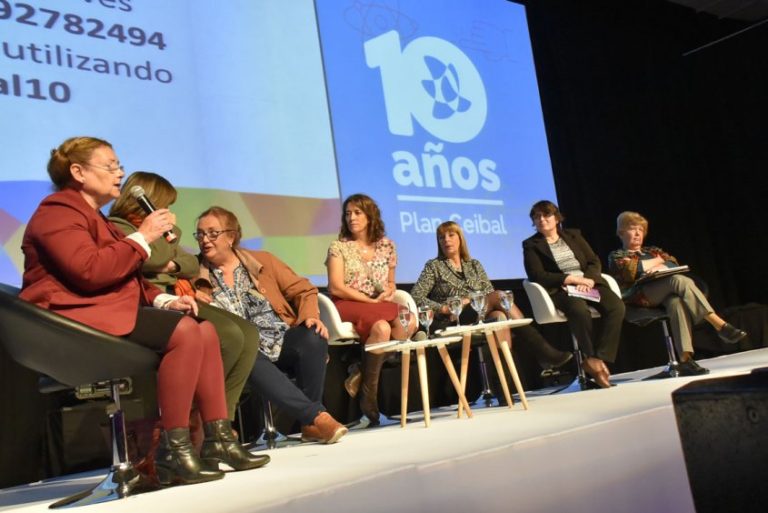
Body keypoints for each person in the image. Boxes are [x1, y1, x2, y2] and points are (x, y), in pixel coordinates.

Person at [19, 137, 267, 487]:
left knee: (204, 329)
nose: (120, 173)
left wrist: (164, 300)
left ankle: (217, 438)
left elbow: (126, 276)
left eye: (119, 165)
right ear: (78, 172)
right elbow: (90, 271)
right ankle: (173, 451)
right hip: (68, 322)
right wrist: (143, 236)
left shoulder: (93, 217)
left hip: (99, 312)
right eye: (110, 166)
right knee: (184, 332)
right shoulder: (57, 212)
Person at [108, 172, 260, 426]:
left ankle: (222, 419)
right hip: (149, 302)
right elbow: (151, 258)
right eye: (164, 205)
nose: (168, 212)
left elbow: (190, 264)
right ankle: (200, 416)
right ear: (149, 202)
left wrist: (169, 265)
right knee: (229, 335)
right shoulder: (119, 226)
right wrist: (167, 239)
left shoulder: (159, 233)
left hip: (175, 296)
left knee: (249, 334)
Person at [194, 206, 348, 444]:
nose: (205, 240)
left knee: (313, 336)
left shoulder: (262, 261)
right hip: (240, 350)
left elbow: (304, 289)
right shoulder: (193, 274)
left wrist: (310, 316)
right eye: (200, 234)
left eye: (213, 233)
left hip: (279, 339)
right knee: (247, 351)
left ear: (231, 236)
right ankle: (315, 417)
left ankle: (310, 424)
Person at [410, 221, 572, 373]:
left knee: (499, 315)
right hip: (454, 318)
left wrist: (469, 299)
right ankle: (543, 351)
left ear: (460, 238)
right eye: (441, 237)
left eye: (451, 235)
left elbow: (488, 292)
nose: (446, 240)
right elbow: (416, 296)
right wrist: (444, 308)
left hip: (478, 312)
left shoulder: (474, 265)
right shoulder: (434, 266)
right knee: (499, 296)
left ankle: (505, 381)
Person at [608, 211, 747, 373]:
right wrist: (658, 261)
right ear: (621, 233)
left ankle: (685, 359)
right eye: (633, 229)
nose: (638, 233)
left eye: (641, 229)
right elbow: (632, 270)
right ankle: (719, 325)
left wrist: (660, 265)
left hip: (665, 292)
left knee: (676, 302)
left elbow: (673, 263)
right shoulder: (617, 255)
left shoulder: (652, 250)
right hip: (638, 297)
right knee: (678, 280)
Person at [325, 193, 416, 425]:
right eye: (348, 214)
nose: (352, 218)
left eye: (357, 213)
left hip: (377, 304)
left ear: (370, 216)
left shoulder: (387, 246)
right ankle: (370, 400)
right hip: (347, 303)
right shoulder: (338, 247)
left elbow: (391, 283)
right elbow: (336, 287)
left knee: (406, 323)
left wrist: (388, 292)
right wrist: (370, 301)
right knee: (385, 325)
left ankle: (361, 373)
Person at [522, 200, 625, 388]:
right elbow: (537, 275)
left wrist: (590, 279)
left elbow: (593, 261)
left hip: (587, 283)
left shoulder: (574, 235)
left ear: (556, 218)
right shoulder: (531, 245)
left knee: (616, 307)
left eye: (546, 215)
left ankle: (597, 359)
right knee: (579, 310)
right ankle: (591, 358)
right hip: (562, 288)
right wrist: (570, 279)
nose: (542, 220)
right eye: (537, 217)